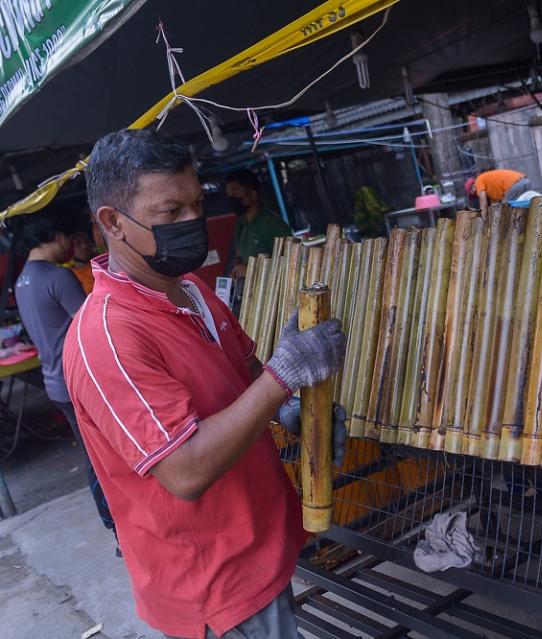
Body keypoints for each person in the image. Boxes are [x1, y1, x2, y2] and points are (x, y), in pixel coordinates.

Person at [63, 129, 346, 639]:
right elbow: (185, 470)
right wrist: (285, 378)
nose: (193, 222)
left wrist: (289, 409)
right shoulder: (106, 336)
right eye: (170, 213)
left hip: (260, 545)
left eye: (197, 203)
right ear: (112, 223)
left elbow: (245, 378)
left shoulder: (189, 288)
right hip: (216, 582)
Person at [13, 205, 116, 541]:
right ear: (57, 237)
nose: (73, 247)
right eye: (70, 240)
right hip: (78, 381)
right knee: (105, 455)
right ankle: (117, 524)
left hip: (54, 382)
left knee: (92, 453)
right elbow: (92, 327)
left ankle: (112, 523)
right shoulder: (58, 277)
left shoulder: (22, 282)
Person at [225, 168, 291, 278]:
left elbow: (291, 262)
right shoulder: (241, 223)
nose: (231, 198)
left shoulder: (272, 224)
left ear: (252, 194)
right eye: (229, 194)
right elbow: (239, 255)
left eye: (235, 193)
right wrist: (237, 266)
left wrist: (249, 271)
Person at [465, 169, 529, 214]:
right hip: (525, 181)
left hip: (516, 185)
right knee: (523, 207)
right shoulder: (489, 188)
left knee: (506, 208)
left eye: (473, 194)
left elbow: (484, 204)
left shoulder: (478, 182)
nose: (476, 195)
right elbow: (494, 206)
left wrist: (483, 218)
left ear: (472, 187)